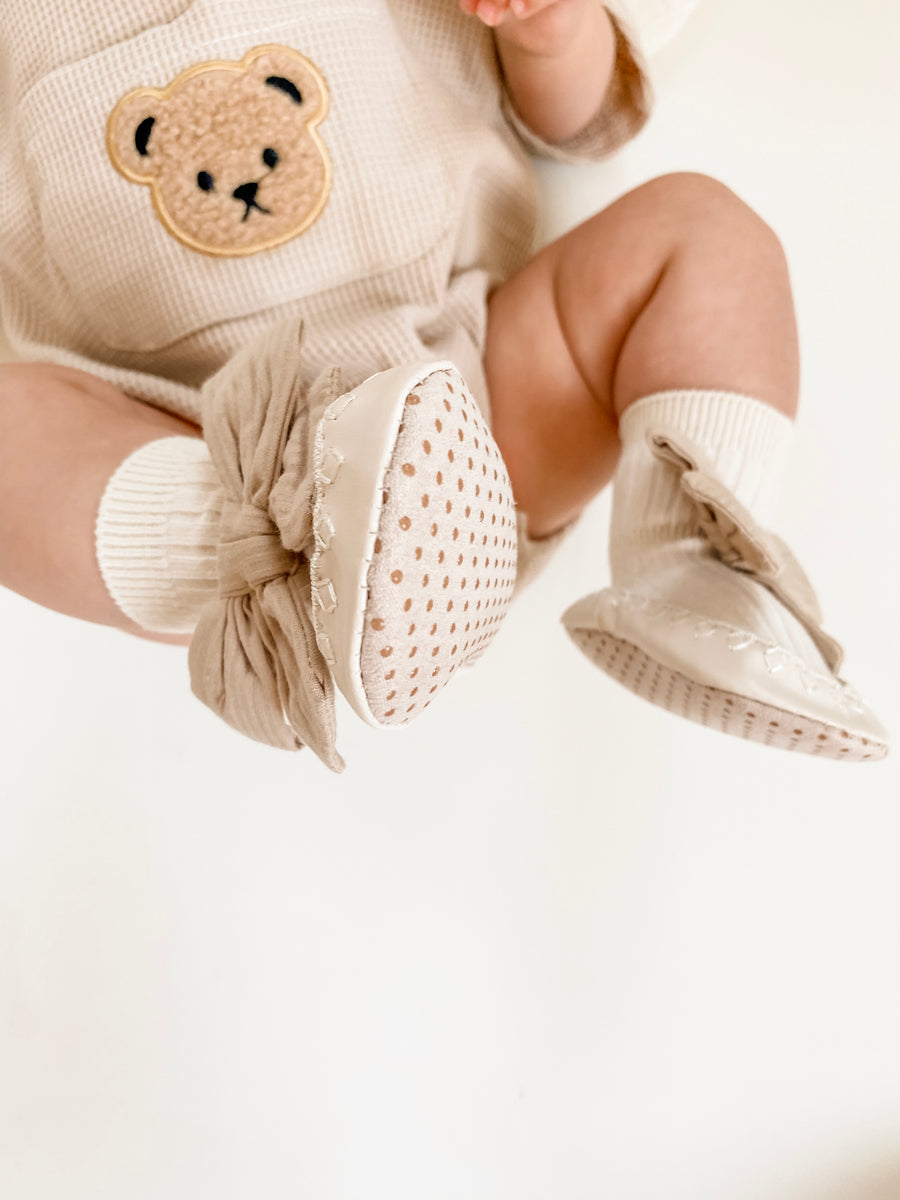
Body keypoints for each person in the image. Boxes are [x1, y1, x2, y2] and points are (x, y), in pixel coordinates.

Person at [0, 0, 888, 764]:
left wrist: (549, 29)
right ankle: (253, 556)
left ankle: (694, 562)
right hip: (192, 439)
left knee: (704, 233)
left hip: (472, 402)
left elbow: (571, 125)